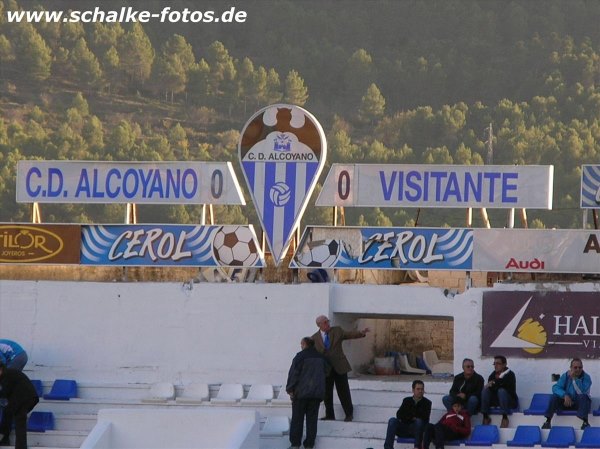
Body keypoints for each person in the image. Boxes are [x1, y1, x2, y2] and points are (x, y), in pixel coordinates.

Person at [312, 315, 369, 422]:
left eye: (328, 321)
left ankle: (349, 414)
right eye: (325, 322)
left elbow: (349, 334)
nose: (328, 324)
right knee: (327, 393)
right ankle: (329, 415)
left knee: (343, 391)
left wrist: (361, 333)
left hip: (339, 366)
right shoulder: (314, 338)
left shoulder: (337, 330)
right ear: (319, 325)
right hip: (326, 369)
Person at [286, 337, 327, 449]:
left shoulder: (300, 357)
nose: (301, 346)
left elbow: (294, 374)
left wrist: (290, 389)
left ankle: (295, 444)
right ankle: (309, 444)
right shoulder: (321, 357)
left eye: (301, 344)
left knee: (297, 419)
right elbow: (326, 373)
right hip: (316, 394)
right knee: (312, 420)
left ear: (304, 344)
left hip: (301, 393)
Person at [542, 358, 591, 430]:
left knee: (584, 397)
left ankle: (585, 422)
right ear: (571, 368)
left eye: (580, 367)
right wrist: (564, 395)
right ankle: (548, 421)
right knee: (554, 396)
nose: (578, 369)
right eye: (575, 367)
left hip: (579, 404)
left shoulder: (586, 378)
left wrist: (575, 379)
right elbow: (555, 388)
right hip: (566, 402)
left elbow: (581, 392)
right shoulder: (565, 376)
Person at [0, 361, 39, 449]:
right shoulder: (7, 375)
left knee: (20, 421)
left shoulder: (7, 375)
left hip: (25, 399)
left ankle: (21, 447)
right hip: (22, 399)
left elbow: (5, 392)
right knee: (7, 413)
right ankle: (4, 440)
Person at [384, 379, 432, 449]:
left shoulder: (427, 403)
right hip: (404, 428)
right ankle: (388, 447)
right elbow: (399, 414)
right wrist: (412, 417)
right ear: (413, 390)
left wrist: (408, 416)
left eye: (422, 389)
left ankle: (417, 447)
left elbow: (424, 418)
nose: (420, 391)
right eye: (418, 389)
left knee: (418, 422)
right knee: (392, 420)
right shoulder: (407, 400)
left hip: (417, 430)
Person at [481, 355, 518, 428]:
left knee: (501, 391)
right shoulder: (492, 375)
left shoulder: (510, 374)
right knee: (485, 390)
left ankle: (505, 418)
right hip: (496, 401)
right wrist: (493, 384)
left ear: (504, 364)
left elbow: (505, 387)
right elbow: (491, 388)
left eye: (498, 363)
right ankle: (485, 417)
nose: (495, 366)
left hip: (509, 401)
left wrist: (495, 383)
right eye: (494, 363)